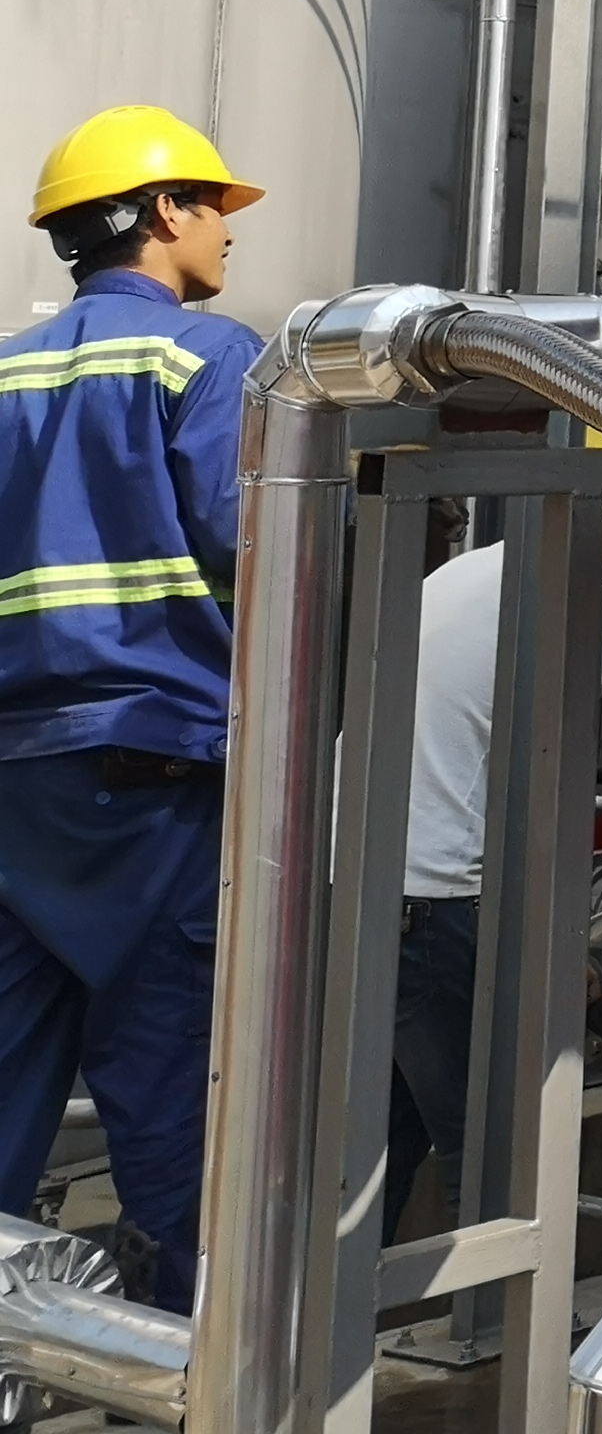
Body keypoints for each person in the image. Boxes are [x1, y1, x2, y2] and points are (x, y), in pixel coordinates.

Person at [0, 110, 266, 1308]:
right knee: (173, 1112)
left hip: (17, 790)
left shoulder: (7, 372)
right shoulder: (206, 358)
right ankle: (185, 1369)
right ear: (164, 212)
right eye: (213, 206)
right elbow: (261, 542)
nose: (227, 232)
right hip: (156, 791)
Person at [385, 539, 602, 1236]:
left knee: (381, 1142)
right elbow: (551, 768)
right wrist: (563, 941)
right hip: (436, 898)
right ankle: (492, 1307)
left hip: (362, 877)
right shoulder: (594, 599)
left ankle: (331, 1305)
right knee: (490, 1153)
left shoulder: (471, 568)